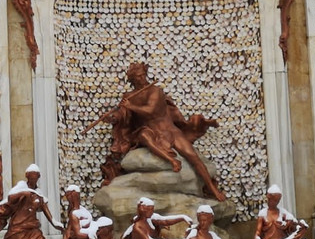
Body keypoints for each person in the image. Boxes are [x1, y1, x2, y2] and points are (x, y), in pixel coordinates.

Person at [96, 62, 225, 201]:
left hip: (170, 130)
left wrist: (130, 105)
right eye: (138, 77)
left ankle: (211, 188)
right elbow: (124, 116)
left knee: (192, 156)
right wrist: (112, 118)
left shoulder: (155, 91)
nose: (142, 79)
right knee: (144, 135)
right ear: (132, 80)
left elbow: (150, 110)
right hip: (151, 131)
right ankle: (172, 160)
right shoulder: (129, 96)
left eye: (142, 75)